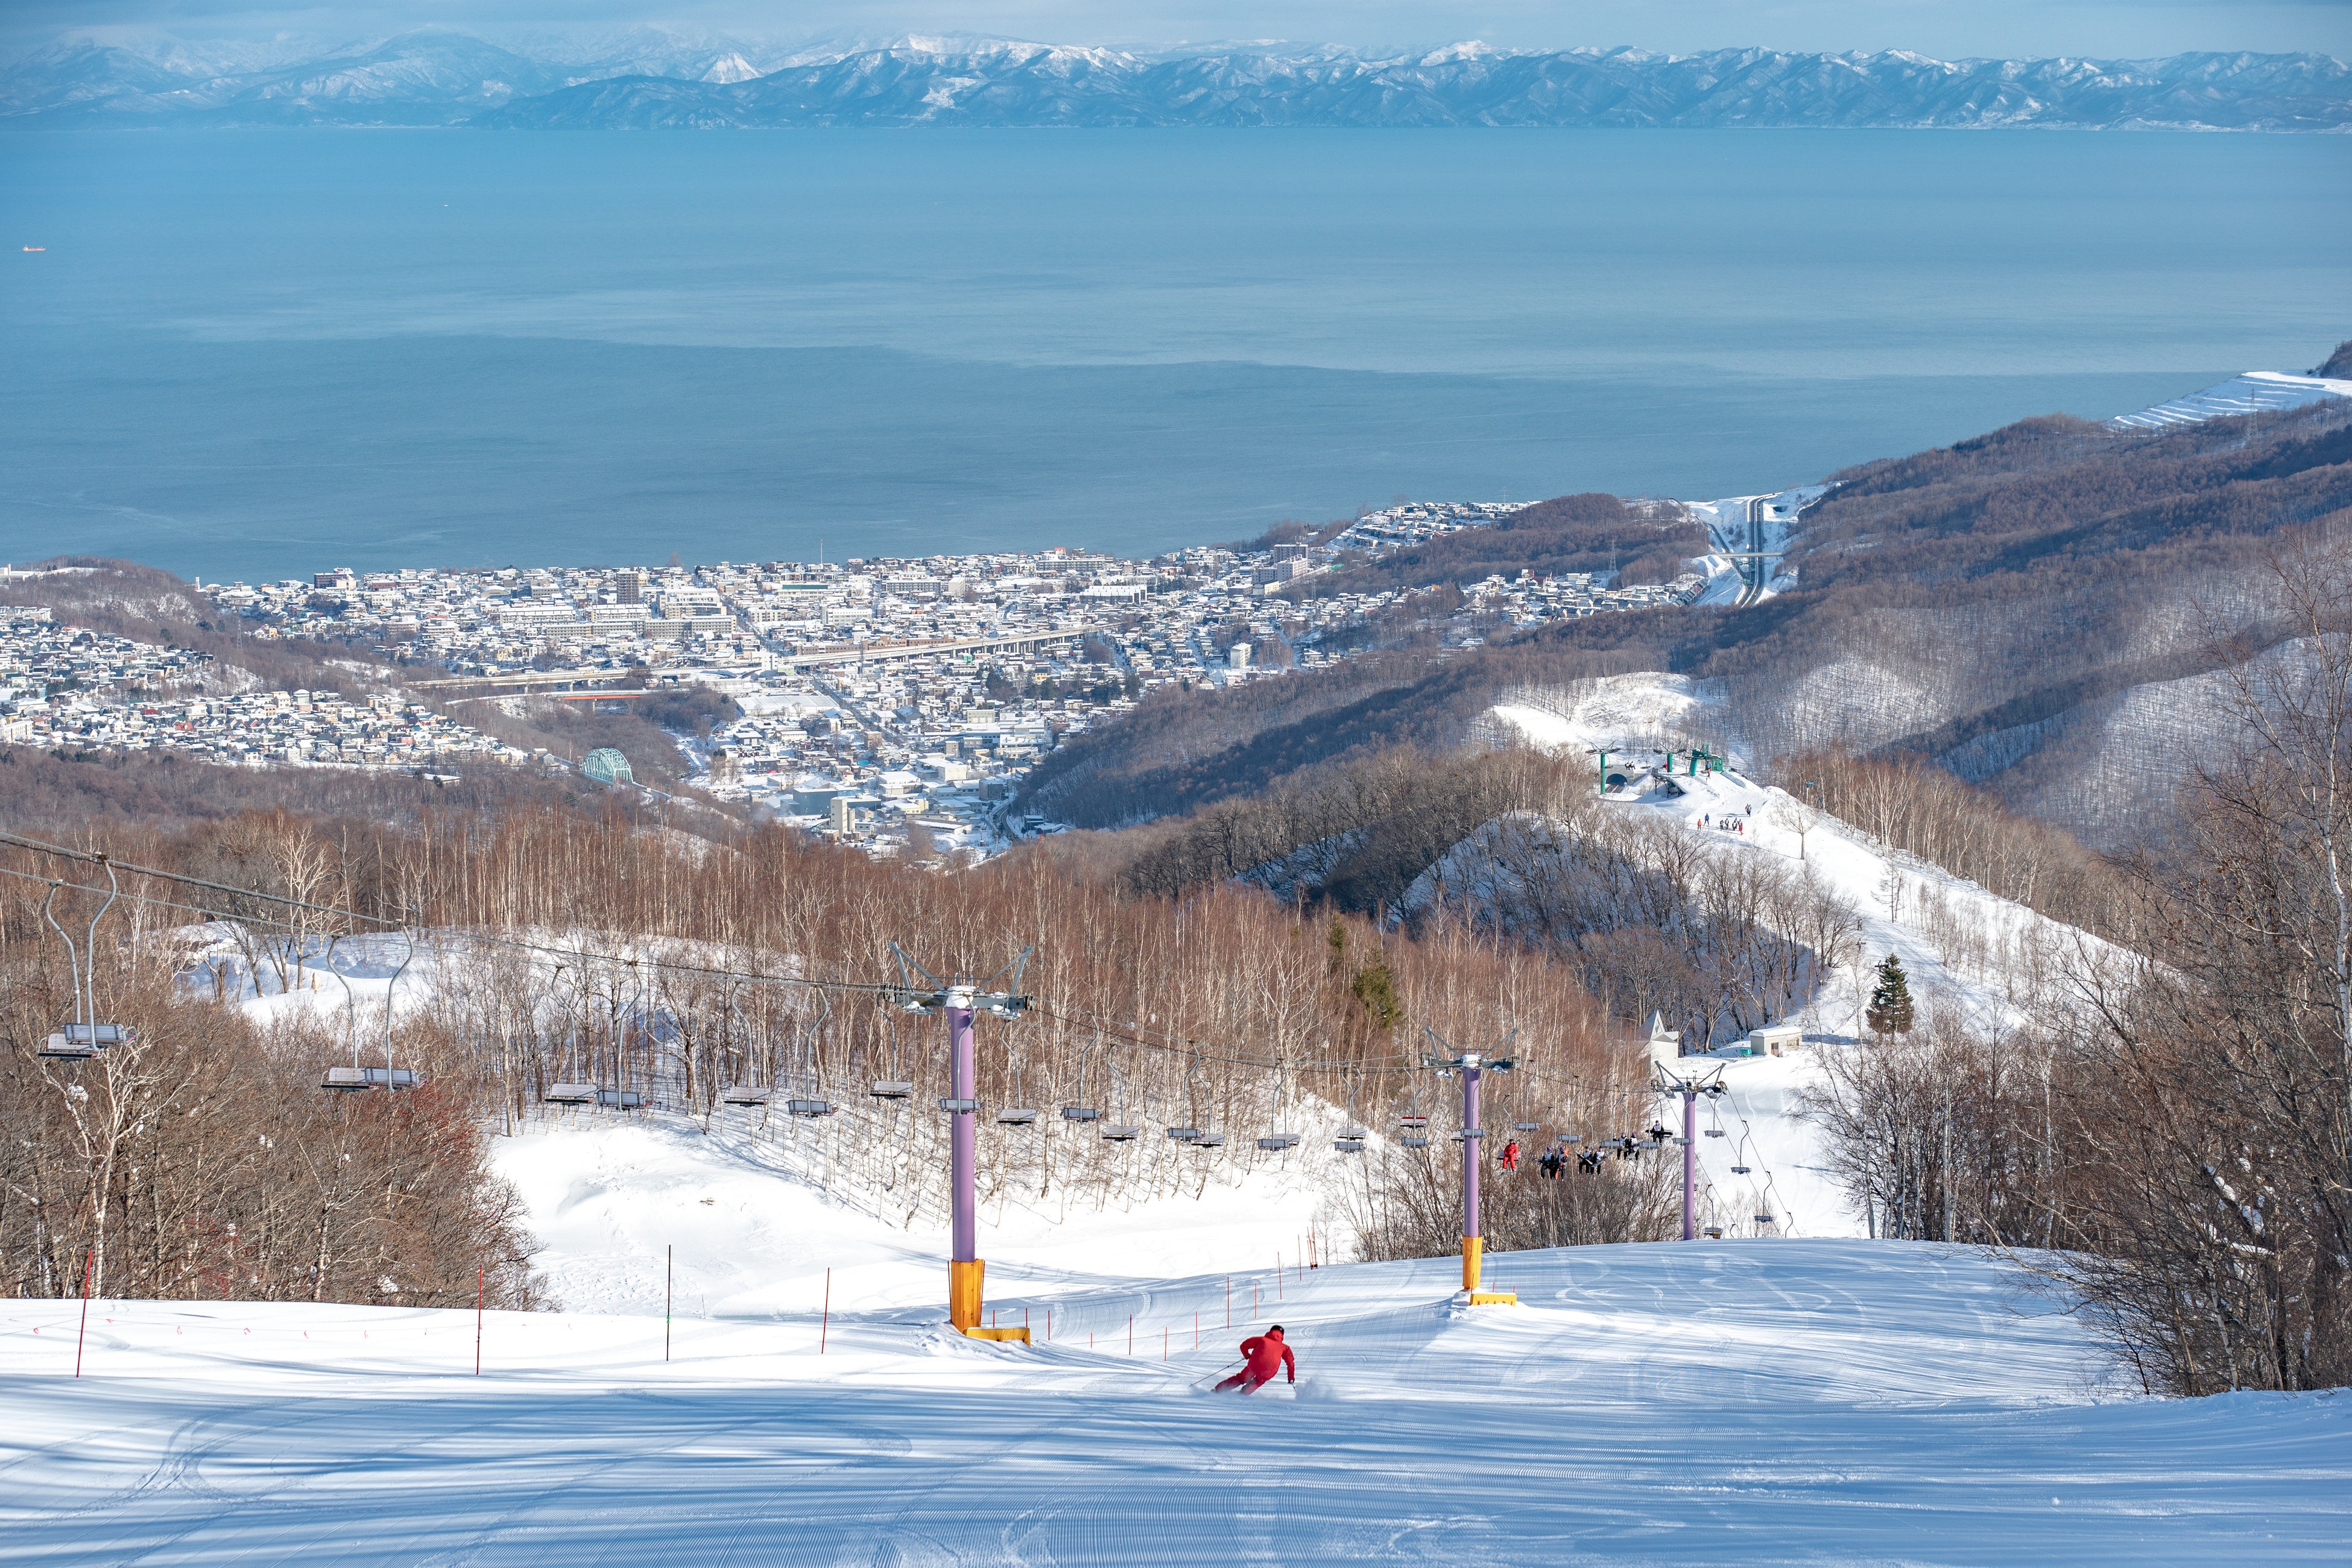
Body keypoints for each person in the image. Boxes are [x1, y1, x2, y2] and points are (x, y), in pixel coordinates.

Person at [1215, 1324, 1295, 1393]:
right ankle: (1243, 1394)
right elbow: (1291, 1364)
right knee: (1259, 1380)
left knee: (1241, 1378)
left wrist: (1247, 1355)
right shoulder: (1285, 1348)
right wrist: (1291, 1378)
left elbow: (1244, 1345)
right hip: (1269, 1371)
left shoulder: (1262, 1340)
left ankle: (1219, 1390)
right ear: (1282, 1335)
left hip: (1255, 1365)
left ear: (1271, 1331)